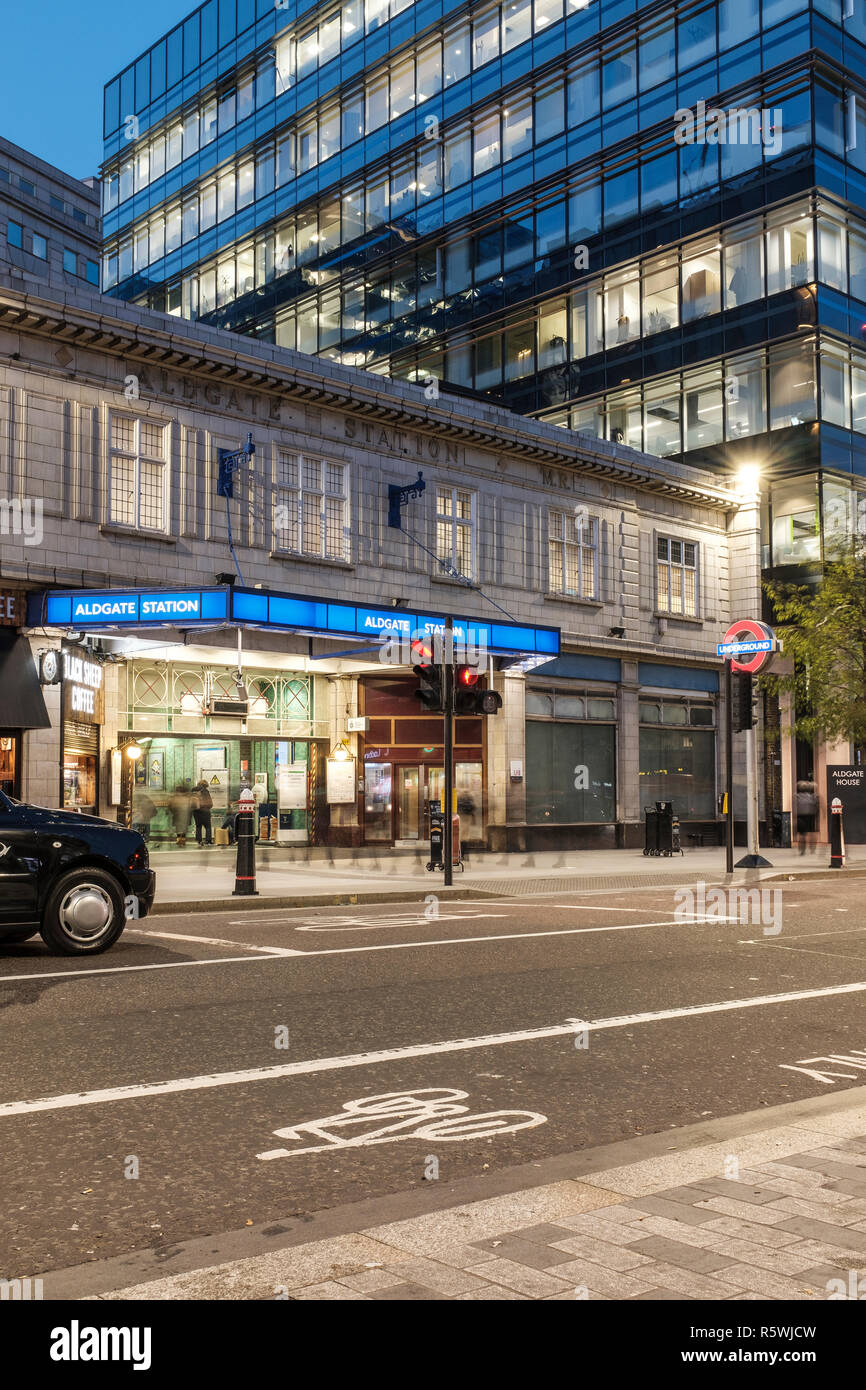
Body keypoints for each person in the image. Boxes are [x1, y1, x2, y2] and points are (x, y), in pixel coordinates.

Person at [795, 779, 818, 855]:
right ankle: (812, 848)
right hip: (811, 816)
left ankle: (802, 849)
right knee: (812, 833)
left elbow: (794, 806)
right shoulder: (813, 796)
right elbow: (816, 806)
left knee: (802, 834)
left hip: (801, 816)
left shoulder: (796, 796)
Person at [192, 778, 214, 846]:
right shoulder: (205, 791)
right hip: (205, 811)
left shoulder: (193, 790)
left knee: (198, 826)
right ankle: (208, 841)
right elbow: (210, 802)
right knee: (208, 826)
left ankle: (199, 841)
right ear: (205, 784)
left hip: (196, 811)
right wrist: (209, 807)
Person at [169, 782, 192, 847]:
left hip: (177, 816)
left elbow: (170, 806)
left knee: (179, 828)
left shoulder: (175, 798)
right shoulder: (187, 798)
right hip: (185, 816)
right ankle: (182, 841)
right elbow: (190, 807)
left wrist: (173, 812)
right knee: (183, 828)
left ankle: (179, 840)